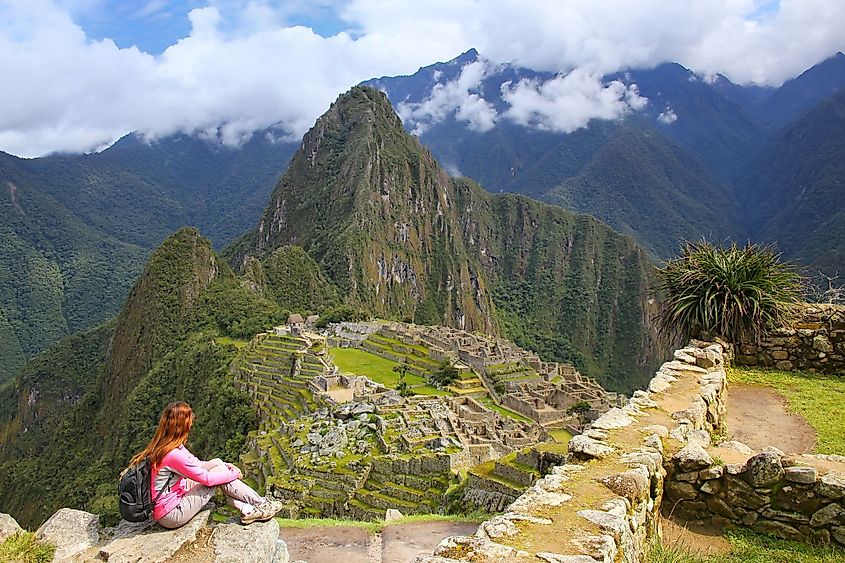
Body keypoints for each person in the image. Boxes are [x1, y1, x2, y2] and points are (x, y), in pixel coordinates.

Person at [129, 401, 282, 528]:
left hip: (171, 501)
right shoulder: (173, 454)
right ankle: (260, 504)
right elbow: (207, 479)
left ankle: (247, 508)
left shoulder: (168, 446)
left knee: (218, 465)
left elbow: (198, 464)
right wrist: (234, 473)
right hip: (172, 514)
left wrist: (226, 465)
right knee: (216, 478)